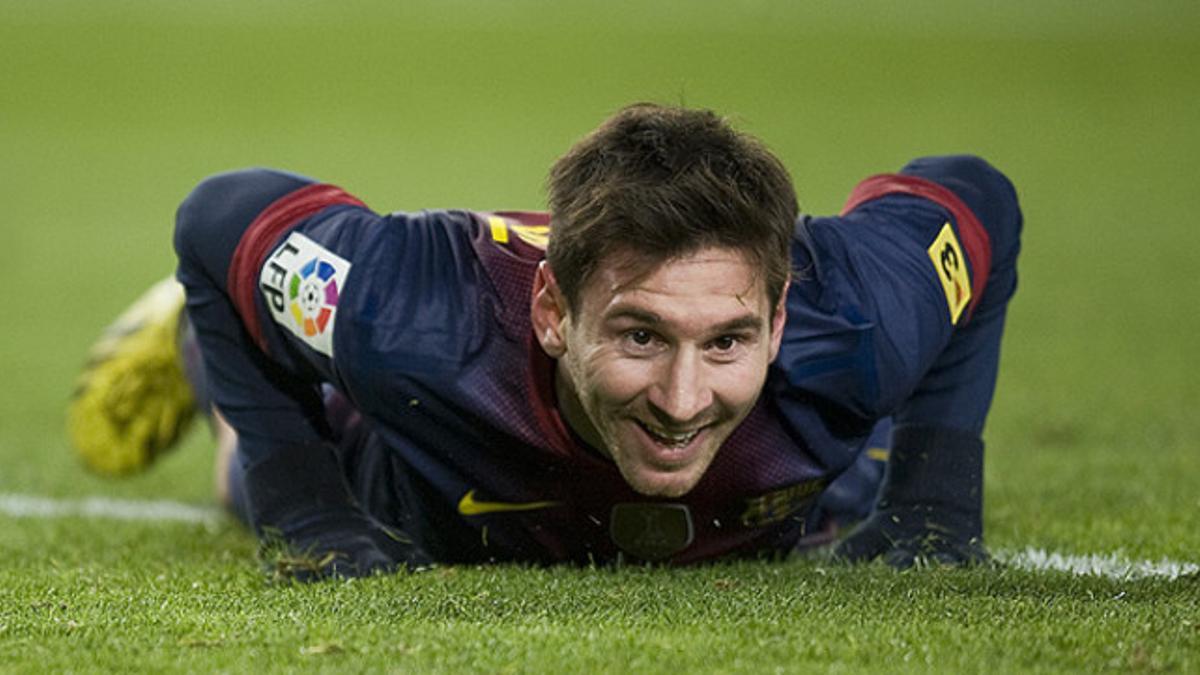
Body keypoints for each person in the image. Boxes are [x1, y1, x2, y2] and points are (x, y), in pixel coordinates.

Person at [68, 103, 1022, 578]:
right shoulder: (410, 317)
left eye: (728, 342)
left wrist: (933, 504)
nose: (685, 400)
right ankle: (195, 348)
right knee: (257, 461)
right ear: (554, 313)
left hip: (769, 492)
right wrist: (306, 510)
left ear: (779, 318)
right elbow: (218, 215)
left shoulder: (859, 316)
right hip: (408, 461)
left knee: (852, 458)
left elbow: (978, 194)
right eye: (642, 335)